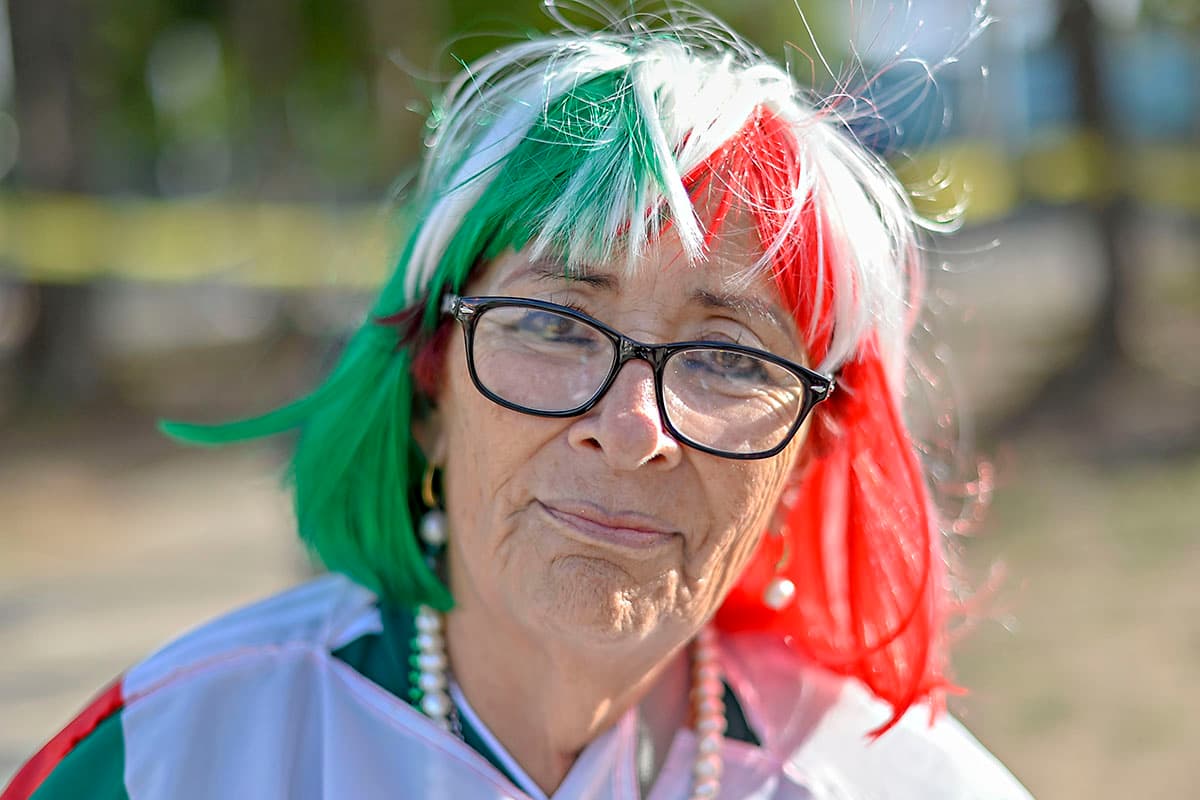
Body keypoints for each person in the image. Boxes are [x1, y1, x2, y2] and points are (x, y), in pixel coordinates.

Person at [3, 6, 1033, 799]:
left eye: (726, 358)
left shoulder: (889, 776)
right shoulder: (186, 749)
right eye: (552, 325)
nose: (633, 429)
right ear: (429, 383)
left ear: (807, 454)